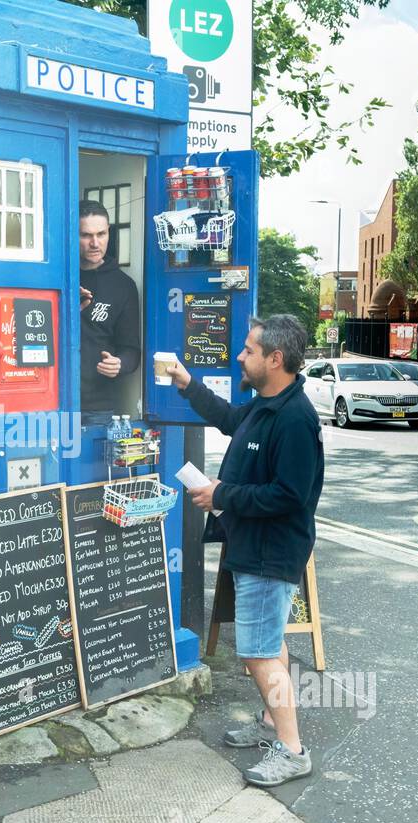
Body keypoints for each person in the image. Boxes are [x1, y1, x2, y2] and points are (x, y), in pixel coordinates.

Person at [164, 315, 325, 787]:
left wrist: (222, 495)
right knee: (270, 642)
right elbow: (228, 418)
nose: (240, 356)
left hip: (270, 552)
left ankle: (292, 750)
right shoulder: (264, 404)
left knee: (256, 652)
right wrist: (186, 382)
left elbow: (290, 496)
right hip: (253, 545)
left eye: (249, 350)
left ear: (276, 359)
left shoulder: (295, 420)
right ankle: (273, 722)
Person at [78, 199, 141, 412]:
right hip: (51, 398)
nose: (95, 243)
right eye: (86, 235)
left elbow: (132, 350)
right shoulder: (57, 278)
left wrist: (119, 363)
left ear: (109, 233)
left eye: (101, 234)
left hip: (98, 404)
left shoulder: (123, 286)